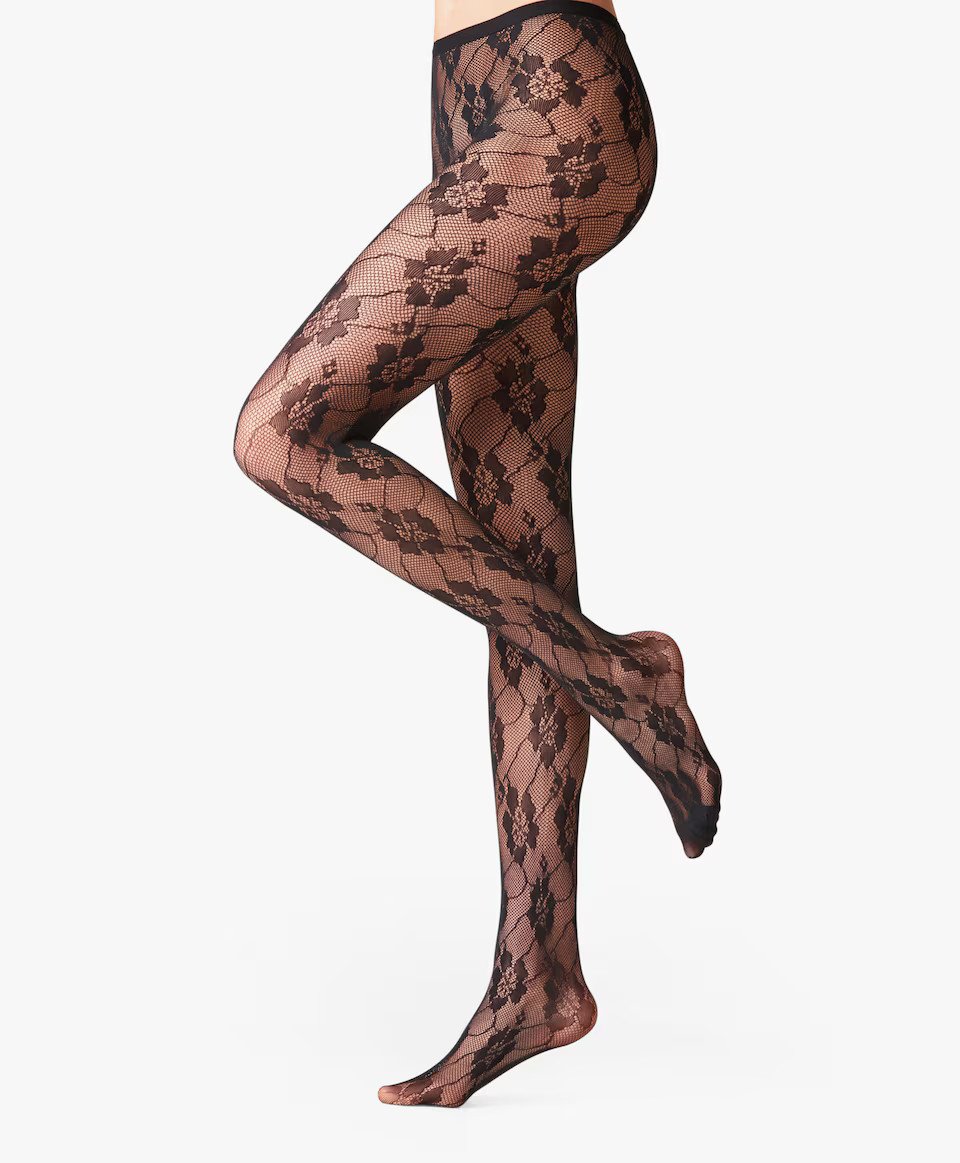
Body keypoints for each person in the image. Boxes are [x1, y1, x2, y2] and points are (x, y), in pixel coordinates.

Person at [234, 0, 721, 1106]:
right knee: (514, 547)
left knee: (281, 434)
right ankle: (535, 977)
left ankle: (623, 676)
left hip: (559, 102)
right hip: (471, 89)